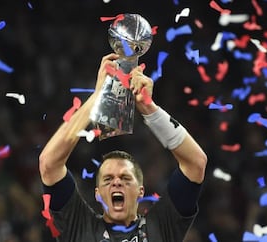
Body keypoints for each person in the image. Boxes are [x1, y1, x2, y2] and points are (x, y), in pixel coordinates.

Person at [39, 53, 207, 242]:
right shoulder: (80, 227)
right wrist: (97, 98)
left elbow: (196, 163)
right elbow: (49, 164)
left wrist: (150, 109)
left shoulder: (160, 226)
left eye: (126, 178)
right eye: (108, 179)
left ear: (140, 191)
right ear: (98, 194)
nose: (116, 183)